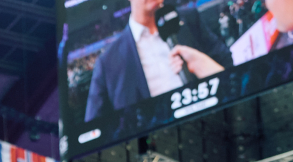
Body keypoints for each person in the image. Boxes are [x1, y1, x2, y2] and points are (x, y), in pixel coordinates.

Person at [84, 0, 234, 121]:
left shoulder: (189, 20)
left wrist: (206, 69)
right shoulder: (109, 62)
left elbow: (230, 68)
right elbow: (94, 129)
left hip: (214, 124)